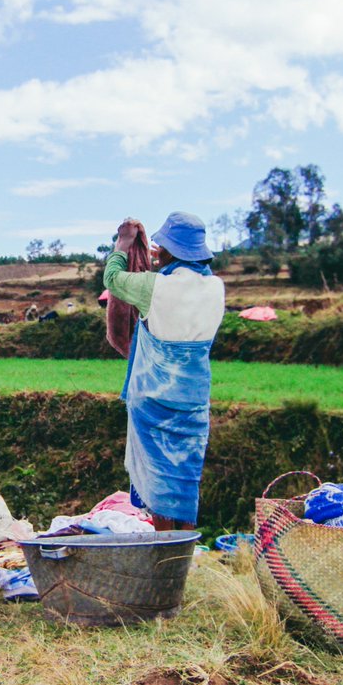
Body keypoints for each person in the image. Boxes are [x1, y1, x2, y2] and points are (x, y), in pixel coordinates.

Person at [103, 212, 225, 530]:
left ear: (171, 251)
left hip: (154, 400)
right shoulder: (216, 287)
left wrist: (123, 243)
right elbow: (192, 277)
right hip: (194, 399)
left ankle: (164, 553)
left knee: (157, 481)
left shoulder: (153, 287)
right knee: (184, 480)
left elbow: (112, 279)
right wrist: (170, 259)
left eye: (162, 246)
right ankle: (181, 555)